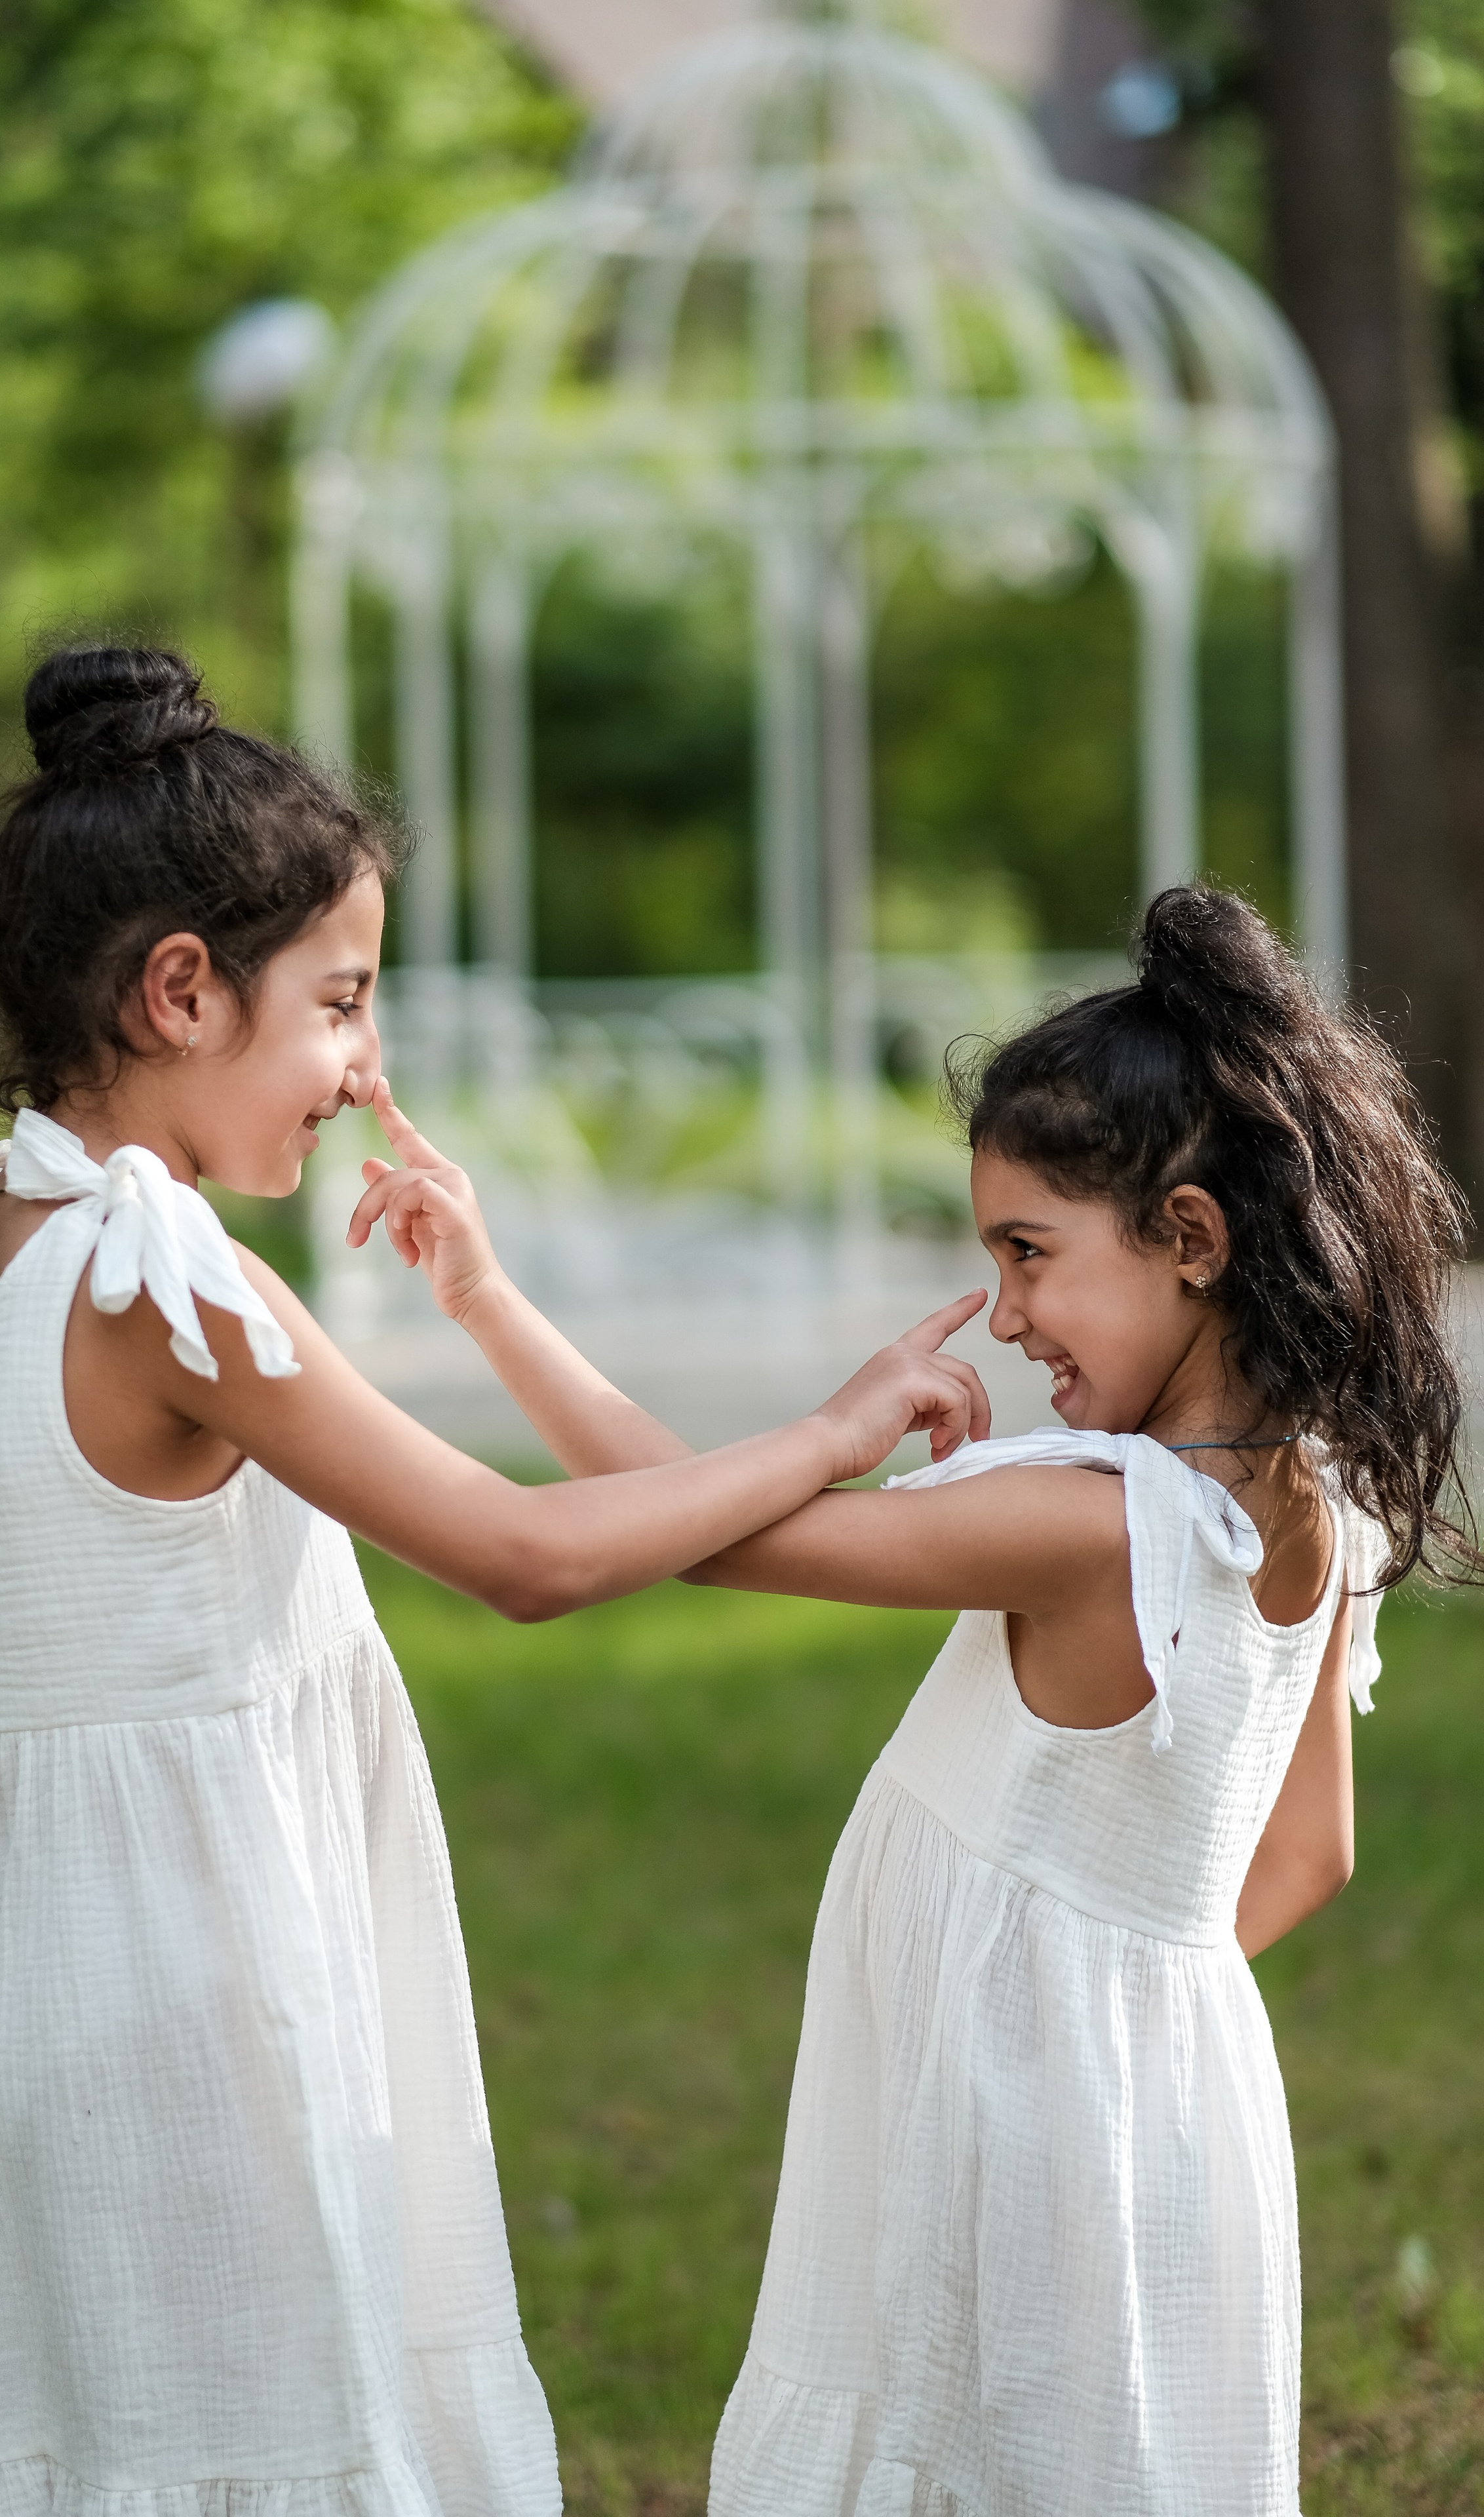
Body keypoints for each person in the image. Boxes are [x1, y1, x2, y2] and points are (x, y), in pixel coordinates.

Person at [0, 645, 983, 2517]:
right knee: (265, 2415)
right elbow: (524, 1555)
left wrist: (476, 1293)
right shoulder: (171, 1283)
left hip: (34, 1968)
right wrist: (832, 1429)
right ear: (178, 992)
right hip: (211, 1980)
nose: (368, 1068)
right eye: (343, 1005)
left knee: (113, 2419)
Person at [357, 884, 1477, 2517]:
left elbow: (698, 1526)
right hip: (1172, 2130)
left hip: (997, 2144)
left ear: (1188, 1237)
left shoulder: (1089, 1520)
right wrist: (1113, 2025)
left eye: (1028, 1255)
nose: (1006, 1316)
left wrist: (486, 1307)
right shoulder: (1311, 1496)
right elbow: (1310, 1856)